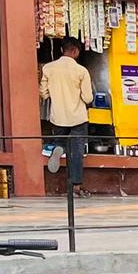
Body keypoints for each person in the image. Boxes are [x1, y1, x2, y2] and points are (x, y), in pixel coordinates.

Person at [40, 39, 95, 197]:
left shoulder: (48, 68)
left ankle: (59, 148)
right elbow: (88, 98)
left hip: (58, 116)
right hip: (78, 117)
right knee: (76, 152)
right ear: (76, 51)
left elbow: (43, 93)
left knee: (61, 141)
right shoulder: (81, 71)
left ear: (61, 49)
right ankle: (76, 187)